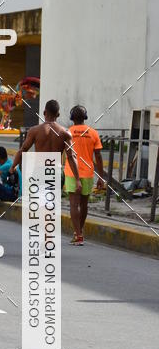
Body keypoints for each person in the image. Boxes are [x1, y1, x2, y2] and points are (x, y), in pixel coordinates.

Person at [10, 99, 80, 185]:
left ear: (44, 112)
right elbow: (71, 157)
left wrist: (13, 166)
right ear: (58, 114)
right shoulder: (65, 132)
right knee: (53, 198)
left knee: (39, 198)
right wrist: (77, 180)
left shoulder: (34, 131)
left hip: (39, 170)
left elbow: (23, 150)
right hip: (56, 172)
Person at [66, 105, 104, 245]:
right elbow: (98, 156)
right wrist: (100, 177)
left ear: (72, 118)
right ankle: (79, 232)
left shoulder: (68, 132)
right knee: (84, 204)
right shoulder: (93, 133)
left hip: (71, 172)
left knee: (73, 204)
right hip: (88, 173)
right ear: (85, 117)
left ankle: (78, 234)